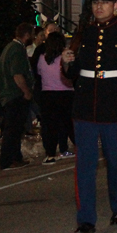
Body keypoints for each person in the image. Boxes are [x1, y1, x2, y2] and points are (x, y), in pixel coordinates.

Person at [62, 0, 117, 233]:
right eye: (95, 2)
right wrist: (66, 63)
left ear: (115, 5)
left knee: (115, 161)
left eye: (104, 2)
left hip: (114, 105)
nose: (99, 7)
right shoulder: (83, 33)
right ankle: (85, 218)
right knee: (84, 164)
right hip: (85, 106)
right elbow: (74, 72)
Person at [0, 23, 35, 170]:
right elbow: (17, 74)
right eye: (32, 34)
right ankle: (7, 160)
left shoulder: (11, 48)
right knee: (13, 129)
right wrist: (26, 91)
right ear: (26, 35)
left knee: (15, 128)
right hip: (14, 95)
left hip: (10, 94)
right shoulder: (17, 49)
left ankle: (15, 157)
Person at [37, 32, 75, 164]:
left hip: (48, 94)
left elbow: (39, 74)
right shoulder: (65, 58)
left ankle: (50, 154)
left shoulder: (43, 58)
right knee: (70, 124)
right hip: (66, 93)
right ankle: (79, 148)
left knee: (49, 126)